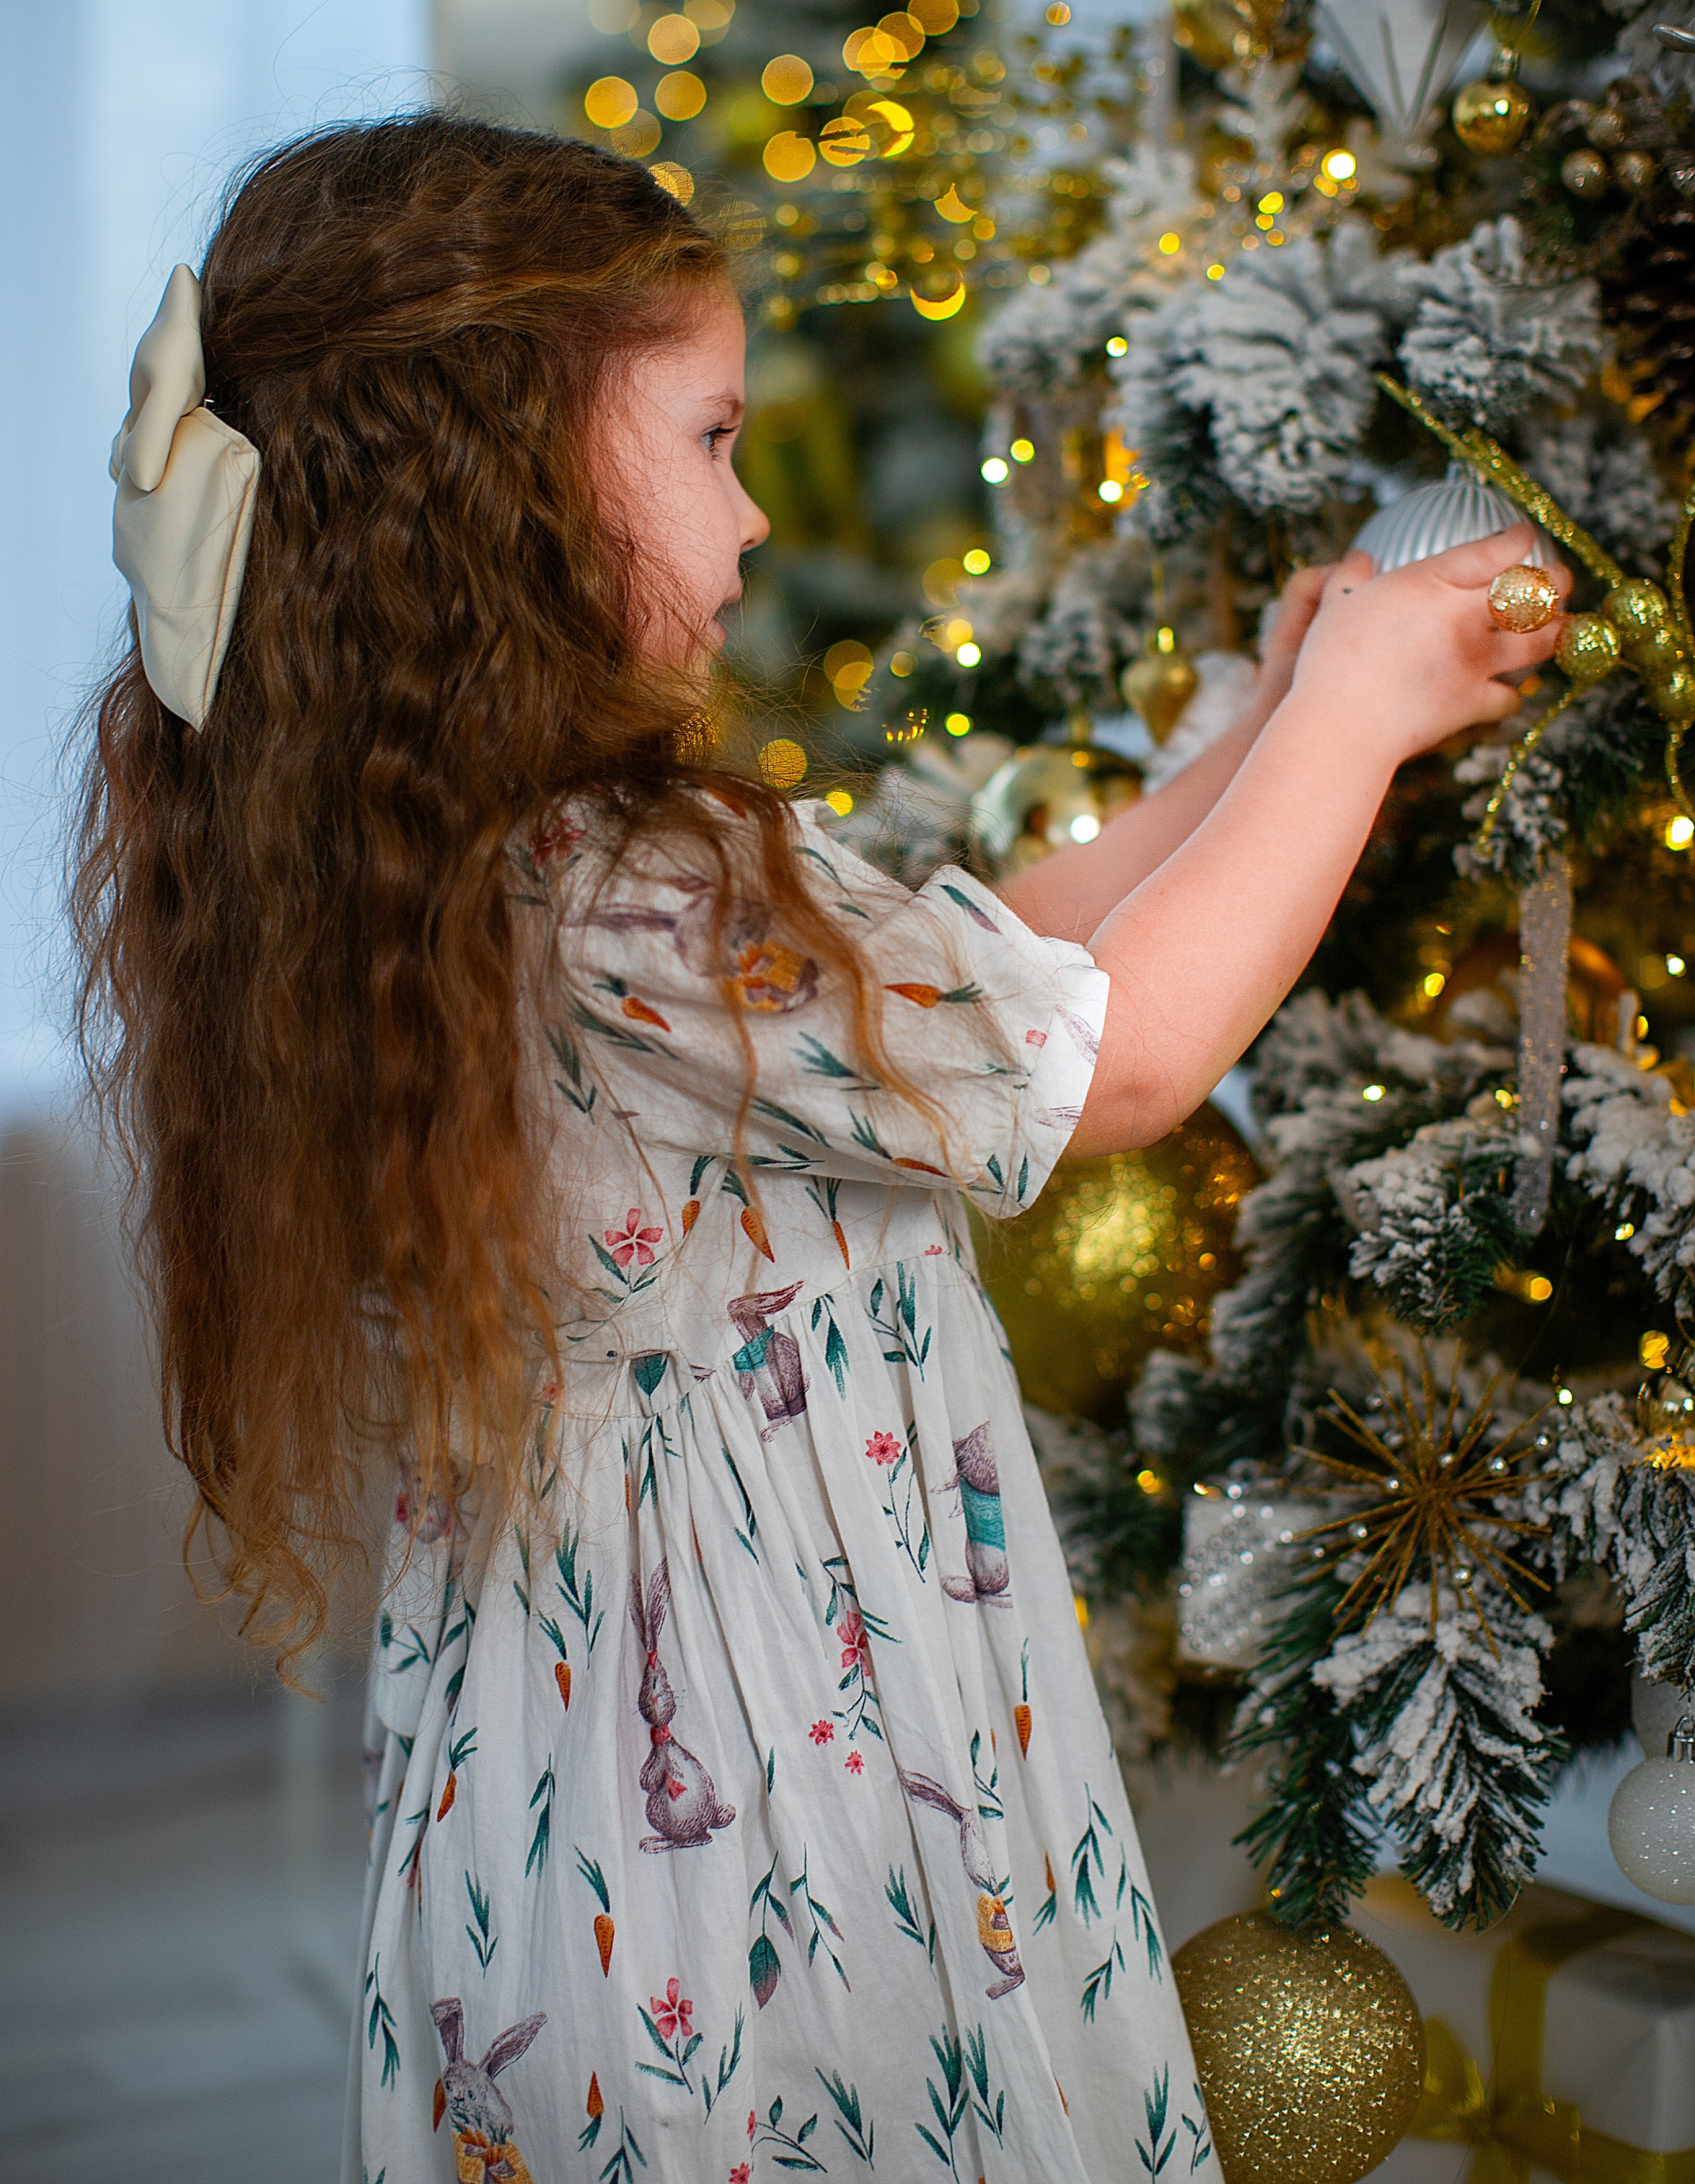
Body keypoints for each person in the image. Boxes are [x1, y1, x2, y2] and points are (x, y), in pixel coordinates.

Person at [70, 113, 1567, 2184]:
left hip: (583, 1763)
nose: (757, 512)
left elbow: (976, 986)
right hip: (766, 1794)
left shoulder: (475, 852)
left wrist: (1256, 727)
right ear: (508, 485)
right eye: (710, 439)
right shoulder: (625, 883)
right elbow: (1115, 1065)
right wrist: (1361, 717)